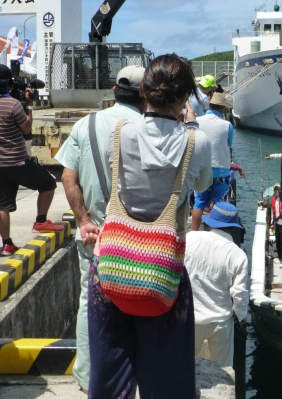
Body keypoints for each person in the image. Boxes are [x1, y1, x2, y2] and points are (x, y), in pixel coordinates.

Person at [88, 54, 213, 399]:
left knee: (108, 369)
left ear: (144, 90)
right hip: (162, 269)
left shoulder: (120, 133)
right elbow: (202, 186)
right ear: (185, 97)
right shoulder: (196, 141)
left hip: (111, 262)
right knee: (168, 375)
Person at [54, 65, 147, 393]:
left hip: (94, 235)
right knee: (140, 307)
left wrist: (83, 220)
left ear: (113, 89)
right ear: (146, 94)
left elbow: (68, 177)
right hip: (138, 239)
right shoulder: (150, 127)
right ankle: (135, 378)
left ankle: (87, 376)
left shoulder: (85, 124)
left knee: (89, 303)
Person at [0, 64, 63, 256]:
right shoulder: (14, 105)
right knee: (48, 184)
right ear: (10, 83)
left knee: (2, 205)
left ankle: (7, 244)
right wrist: (29, 106)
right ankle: (41, 220)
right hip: (18, 161)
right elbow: (26, 129)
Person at [185, 202, 248, 367]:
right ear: (233, 227)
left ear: (211, 221)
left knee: (184, 366)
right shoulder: (238, 254)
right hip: (221, 322)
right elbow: (239, 294)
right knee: (223, 372)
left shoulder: (191, 238)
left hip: (190, 317)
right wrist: (242, 316)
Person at [191, 92, 234, 231]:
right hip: (221, 171)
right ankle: (217, 233)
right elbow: (229, 147)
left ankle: (195, 233)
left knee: (199, 203)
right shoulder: (227, 125)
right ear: (222, 108)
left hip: (202, 169)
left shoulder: (198, 120)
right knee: (219, 204)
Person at [270, 183, 282, 267]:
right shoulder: (273, 199)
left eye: (278, 189)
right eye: (275, 189)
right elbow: (272, 211)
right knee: (277, 240)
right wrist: (272, 223)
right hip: (277, 223)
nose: (276, 191)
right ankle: (279, 257)